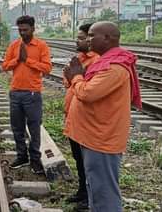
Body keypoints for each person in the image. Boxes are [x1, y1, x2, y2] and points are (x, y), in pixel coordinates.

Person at [64, 22, 141, 212]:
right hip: (93, 136)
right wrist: (75, 76)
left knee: (104, 193)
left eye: (92, 35)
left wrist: (76, 77)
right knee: (95, 188)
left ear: (107, 38)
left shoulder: (113, 67)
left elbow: (87, 93)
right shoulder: (104, 61)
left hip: (101, 139)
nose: (88, 40)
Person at [2, 15, 51, 174]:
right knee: (17, 128)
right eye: (20, 30)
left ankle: (35, 159)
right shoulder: (14, 45)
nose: (22, 33)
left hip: (32, 93)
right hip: (15, 92)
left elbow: (47, 68)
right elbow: (5, 66)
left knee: (34, 127)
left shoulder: (41, 46)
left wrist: (28, 60)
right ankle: (21, 156)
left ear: (33, 29)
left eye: (25, 30)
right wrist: (17, 60)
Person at [62, 23, 99, 210]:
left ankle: (89, 197)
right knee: (78, 159)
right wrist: (73, 76)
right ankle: (81, 192)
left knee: (88, 161)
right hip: (73, 116)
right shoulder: (78, 58)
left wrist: (76, 77)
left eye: (82, 37)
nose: (78, 40)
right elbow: (68, 82)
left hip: (85, 119)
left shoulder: (96, 61)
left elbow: (86, 89)